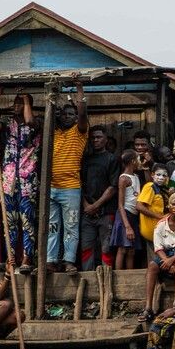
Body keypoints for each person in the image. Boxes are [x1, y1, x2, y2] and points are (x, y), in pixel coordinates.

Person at [48, 83, 90, 273]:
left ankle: (68, 261)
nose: (67, 116)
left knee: (71, 226)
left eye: (70, 114)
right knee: (52, 226)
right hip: (51, 187)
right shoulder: (54, 132)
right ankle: (51, 260)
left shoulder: (79, 131)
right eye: (64, 114)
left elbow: (82, 113)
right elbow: (52, 109)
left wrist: (79, 89)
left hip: (71, 188)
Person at [140, 193, 175, 323]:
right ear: (169, 206)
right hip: (165, 254)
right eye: (173, 204)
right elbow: (158, 248)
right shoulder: (160, 224)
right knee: (152, 265)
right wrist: (167, 261)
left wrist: (172, 260)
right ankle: (148, 308)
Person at [3, 92, 38, 273]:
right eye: (15, 102)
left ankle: (27, 257)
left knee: (27, 220)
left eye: (21, 103)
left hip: (27, 178)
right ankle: (10, 258)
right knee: (10, 221)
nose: (16, 106)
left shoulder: (35, 123)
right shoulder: (8, 123)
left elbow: (30, 121)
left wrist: (26, 100)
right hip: (9, 180)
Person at [79, 125, 120, 270]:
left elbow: (113, 187)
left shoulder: (112, 159)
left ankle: (107, 278)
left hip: (106, 211)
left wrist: (95, 206)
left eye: (99, 137)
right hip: (87, 213)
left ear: (105, 139)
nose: (95, 140)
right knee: (86, 247)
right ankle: (88, 277)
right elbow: (79, 184)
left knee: (106, 247)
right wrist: (86, 206)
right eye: (93, 137)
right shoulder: (84, 160)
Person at [109, 150, 142, 270]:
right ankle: (119, 276)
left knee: (131, 250)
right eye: (138, 159)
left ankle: (129, 276)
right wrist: (127, 226)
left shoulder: (136, 177)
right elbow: (120, 205)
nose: (140, 162)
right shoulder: (123, 179)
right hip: (124, 215)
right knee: (122, 248)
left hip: (133, 216)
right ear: (133, 161)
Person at [136, 166, 170, 255]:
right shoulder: (150, 186)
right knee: (155, 259)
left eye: (164, 175)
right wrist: (159, 216)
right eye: (158, 174)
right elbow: (139, 206)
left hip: (160, 230)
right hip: (151, 229)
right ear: (152, 175)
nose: (161, 178)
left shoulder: (164, 189)